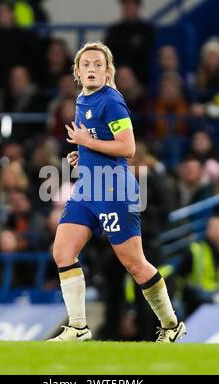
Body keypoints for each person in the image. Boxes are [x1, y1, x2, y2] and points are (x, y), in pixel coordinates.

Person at [48, 42, 186, 342]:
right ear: (77, 71)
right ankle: (79, 328)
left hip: (114, 189)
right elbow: (99, 140)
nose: (92, 69)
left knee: (135, 264)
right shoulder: (83, 99)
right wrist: (82, 153)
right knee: (62, 251)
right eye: (86, 65)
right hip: (89, 186)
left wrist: (87, 141)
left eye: (98, 64)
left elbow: (128, 147)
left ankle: (171, 324)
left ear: (108, 71)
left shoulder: (112, 101)